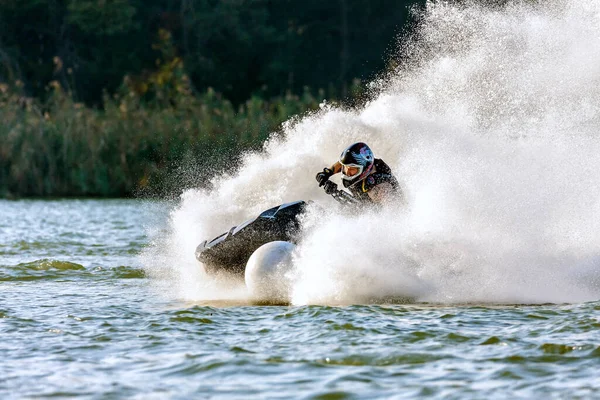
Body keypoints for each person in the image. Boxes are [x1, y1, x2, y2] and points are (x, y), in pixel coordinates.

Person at [315, 142, 403, 205]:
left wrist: (335, 193)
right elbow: (342, 164)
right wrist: (326, 173)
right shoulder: (364, 167)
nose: (347, 172)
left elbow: (384, 216)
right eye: (346, 167)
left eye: (351, 169)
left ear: (364, 169)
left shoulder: (379, 187)